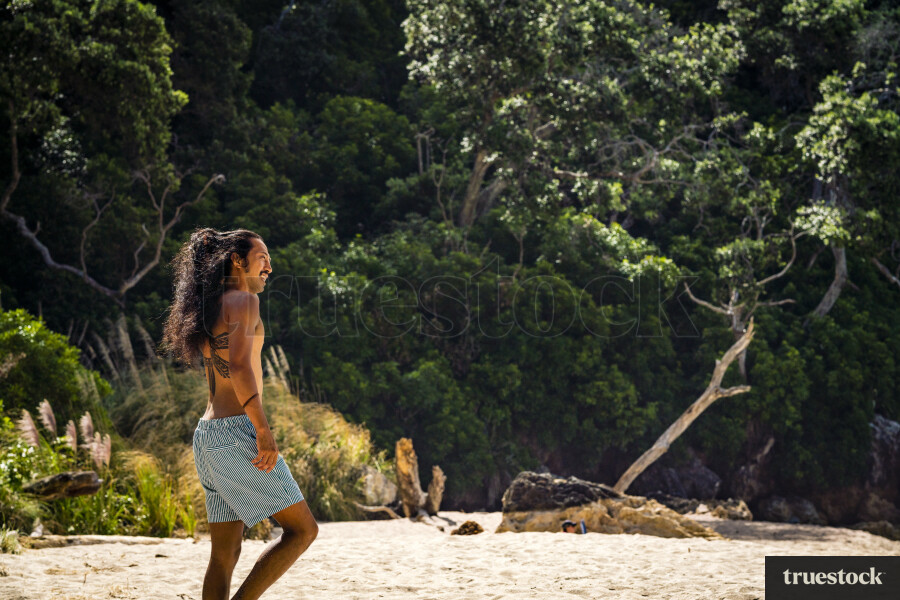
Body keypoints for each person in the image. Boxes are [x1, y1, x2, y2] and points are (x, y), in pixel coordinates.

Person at [161, 227, 318, 600]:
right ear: (236, 259)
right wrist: (263, 429)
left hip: (207, 436)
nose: (268, 267)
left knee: (225, 553)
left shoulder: (210, 307)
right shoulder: (243, 301)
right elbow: (241, 368)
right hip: (235, 434)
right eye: (262, 257)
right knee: (302, 531)